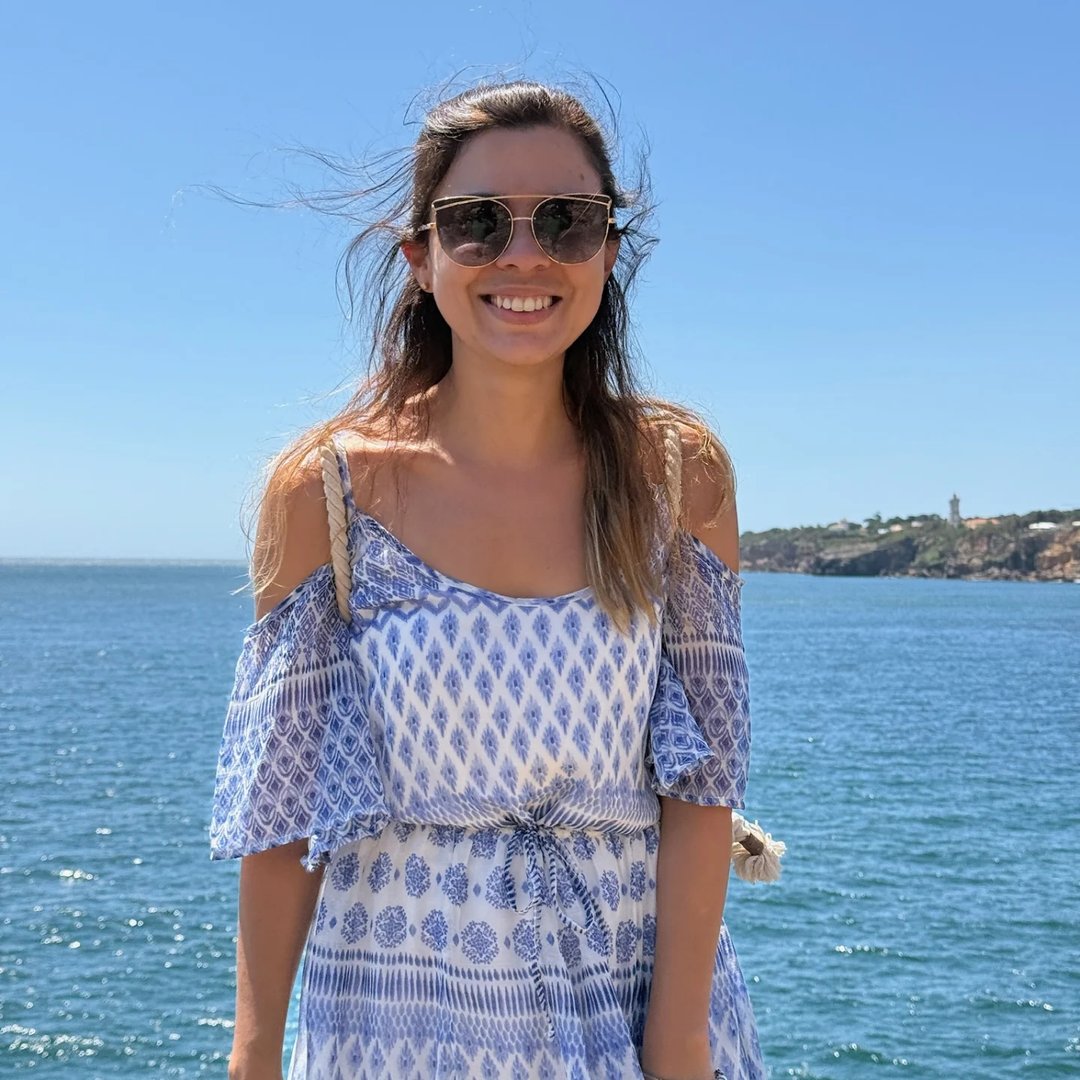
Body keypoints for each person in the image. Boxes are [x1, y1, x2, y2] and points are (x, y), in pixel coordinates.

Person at [210, 79, 769, 1080]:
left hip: (630, 1000)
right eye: (477, 223)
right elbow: (285, 812)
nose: (523, 255)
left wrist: (679, 1039)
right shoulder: (326, 494)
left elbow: (702, 784)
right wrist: (253, 1056)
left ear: (609, 251)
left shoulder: (677, 475)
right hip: (392, 1014)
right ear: (420, 256)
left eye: (566, 220)